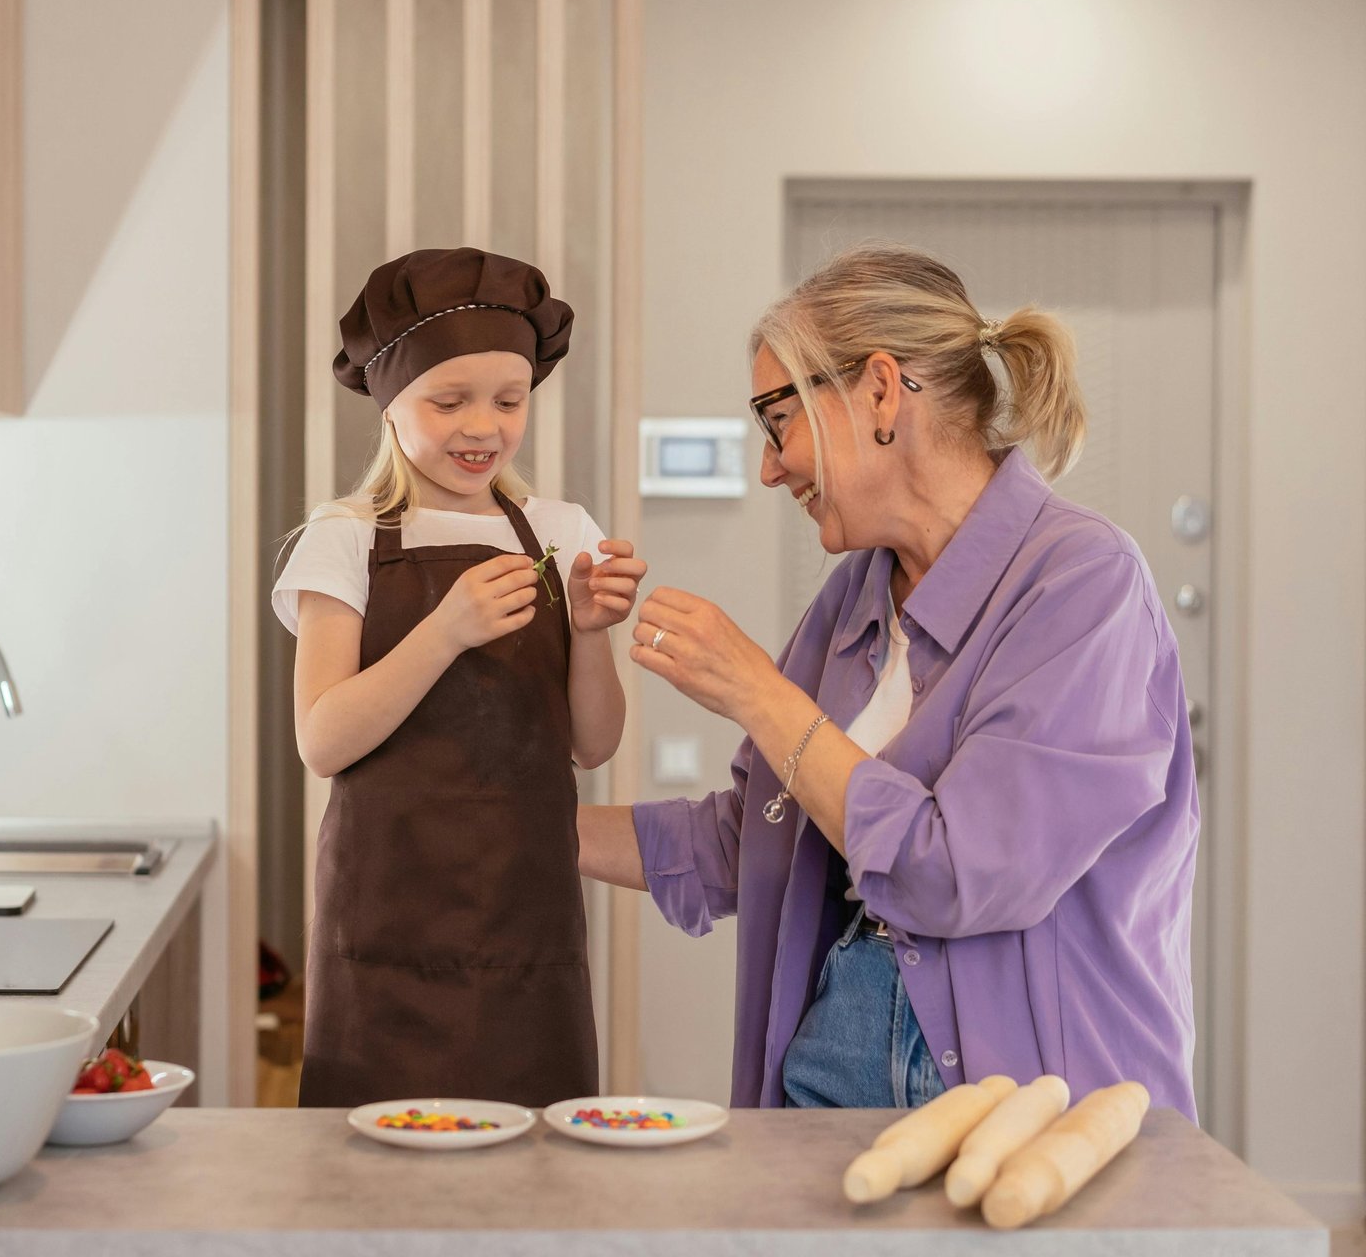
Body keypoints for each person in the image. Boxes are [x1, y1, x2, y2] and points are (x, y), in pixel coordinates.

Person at [579, 244, 1199, 1116]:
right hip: (830, 1079)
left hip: (1028, 1114)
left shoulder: (1083, 584)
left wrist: (757, 690)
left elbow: (961, 872)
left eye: (777, 418)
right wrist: (525, 830)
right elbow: (753, 834)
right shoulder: (853, 598)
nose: (770, 466)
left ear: (878, 390)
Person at [274, 247, 647, 1107]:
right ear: (391, 404)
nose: (483, 426)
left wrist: (590, 632)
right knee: (373, 1192)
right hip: (381, 936)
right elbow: (322, 739)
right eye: (450, 401)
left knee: (533, 1189)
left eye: (509, 401)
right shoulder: (347, 537)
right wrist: (445, 632)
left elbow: (593, 745)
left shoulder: (559, 528)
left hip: (528, 930)